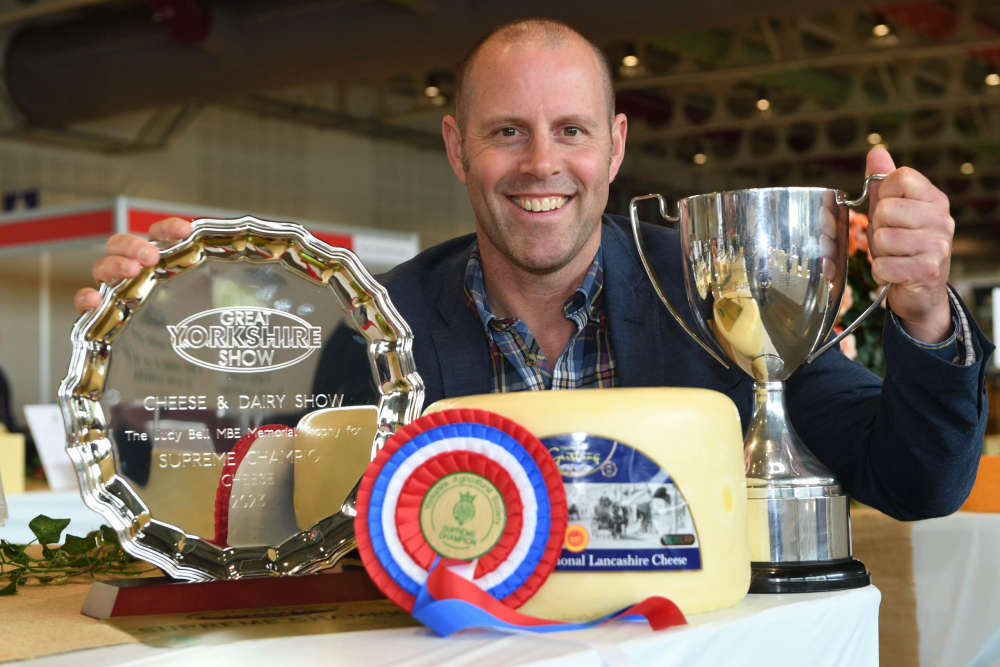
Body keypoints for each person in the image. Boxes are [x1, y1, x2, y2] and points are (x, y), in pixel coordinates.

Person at [74, 19, 993, 522]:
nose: (541, 164)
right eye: (507, 130)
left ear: (616, 147)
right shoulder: (379, 322)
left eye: (572, 131)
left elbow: (913, 481)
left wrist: (919, 316)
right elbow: (264, 504)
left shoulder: (716, 296)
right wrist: (148, 351)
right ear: (457, 147)